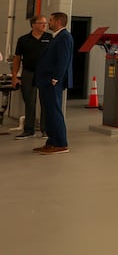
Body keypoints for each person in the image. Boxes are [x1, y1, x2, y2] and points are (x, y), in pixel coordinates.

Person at [33, 12, 73, 155]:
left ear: (57, 22)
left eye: (50, 20)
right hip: (46, 80)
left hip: (53, 81)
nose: (48, 23)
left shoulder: (64, 37)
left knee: (54, 111)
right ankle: (52, 142)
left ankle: (61, 143)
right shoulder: (56, 37)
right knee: (49, 112)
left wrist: (56, 78)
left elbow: (63, 59)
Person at [11, 15, 53, 139]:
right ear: (33, 25)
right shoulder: (23, 40)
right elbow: (17, 59)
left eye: (45, 23)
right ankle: (29, 130)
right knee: (29, 101)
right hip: (29, 73)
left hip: (45, 74)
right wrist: (15, 76)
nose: (44, 25)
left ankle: (45, 129)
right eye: (41, 23)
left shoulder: (50, 38)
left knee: (45, 101)